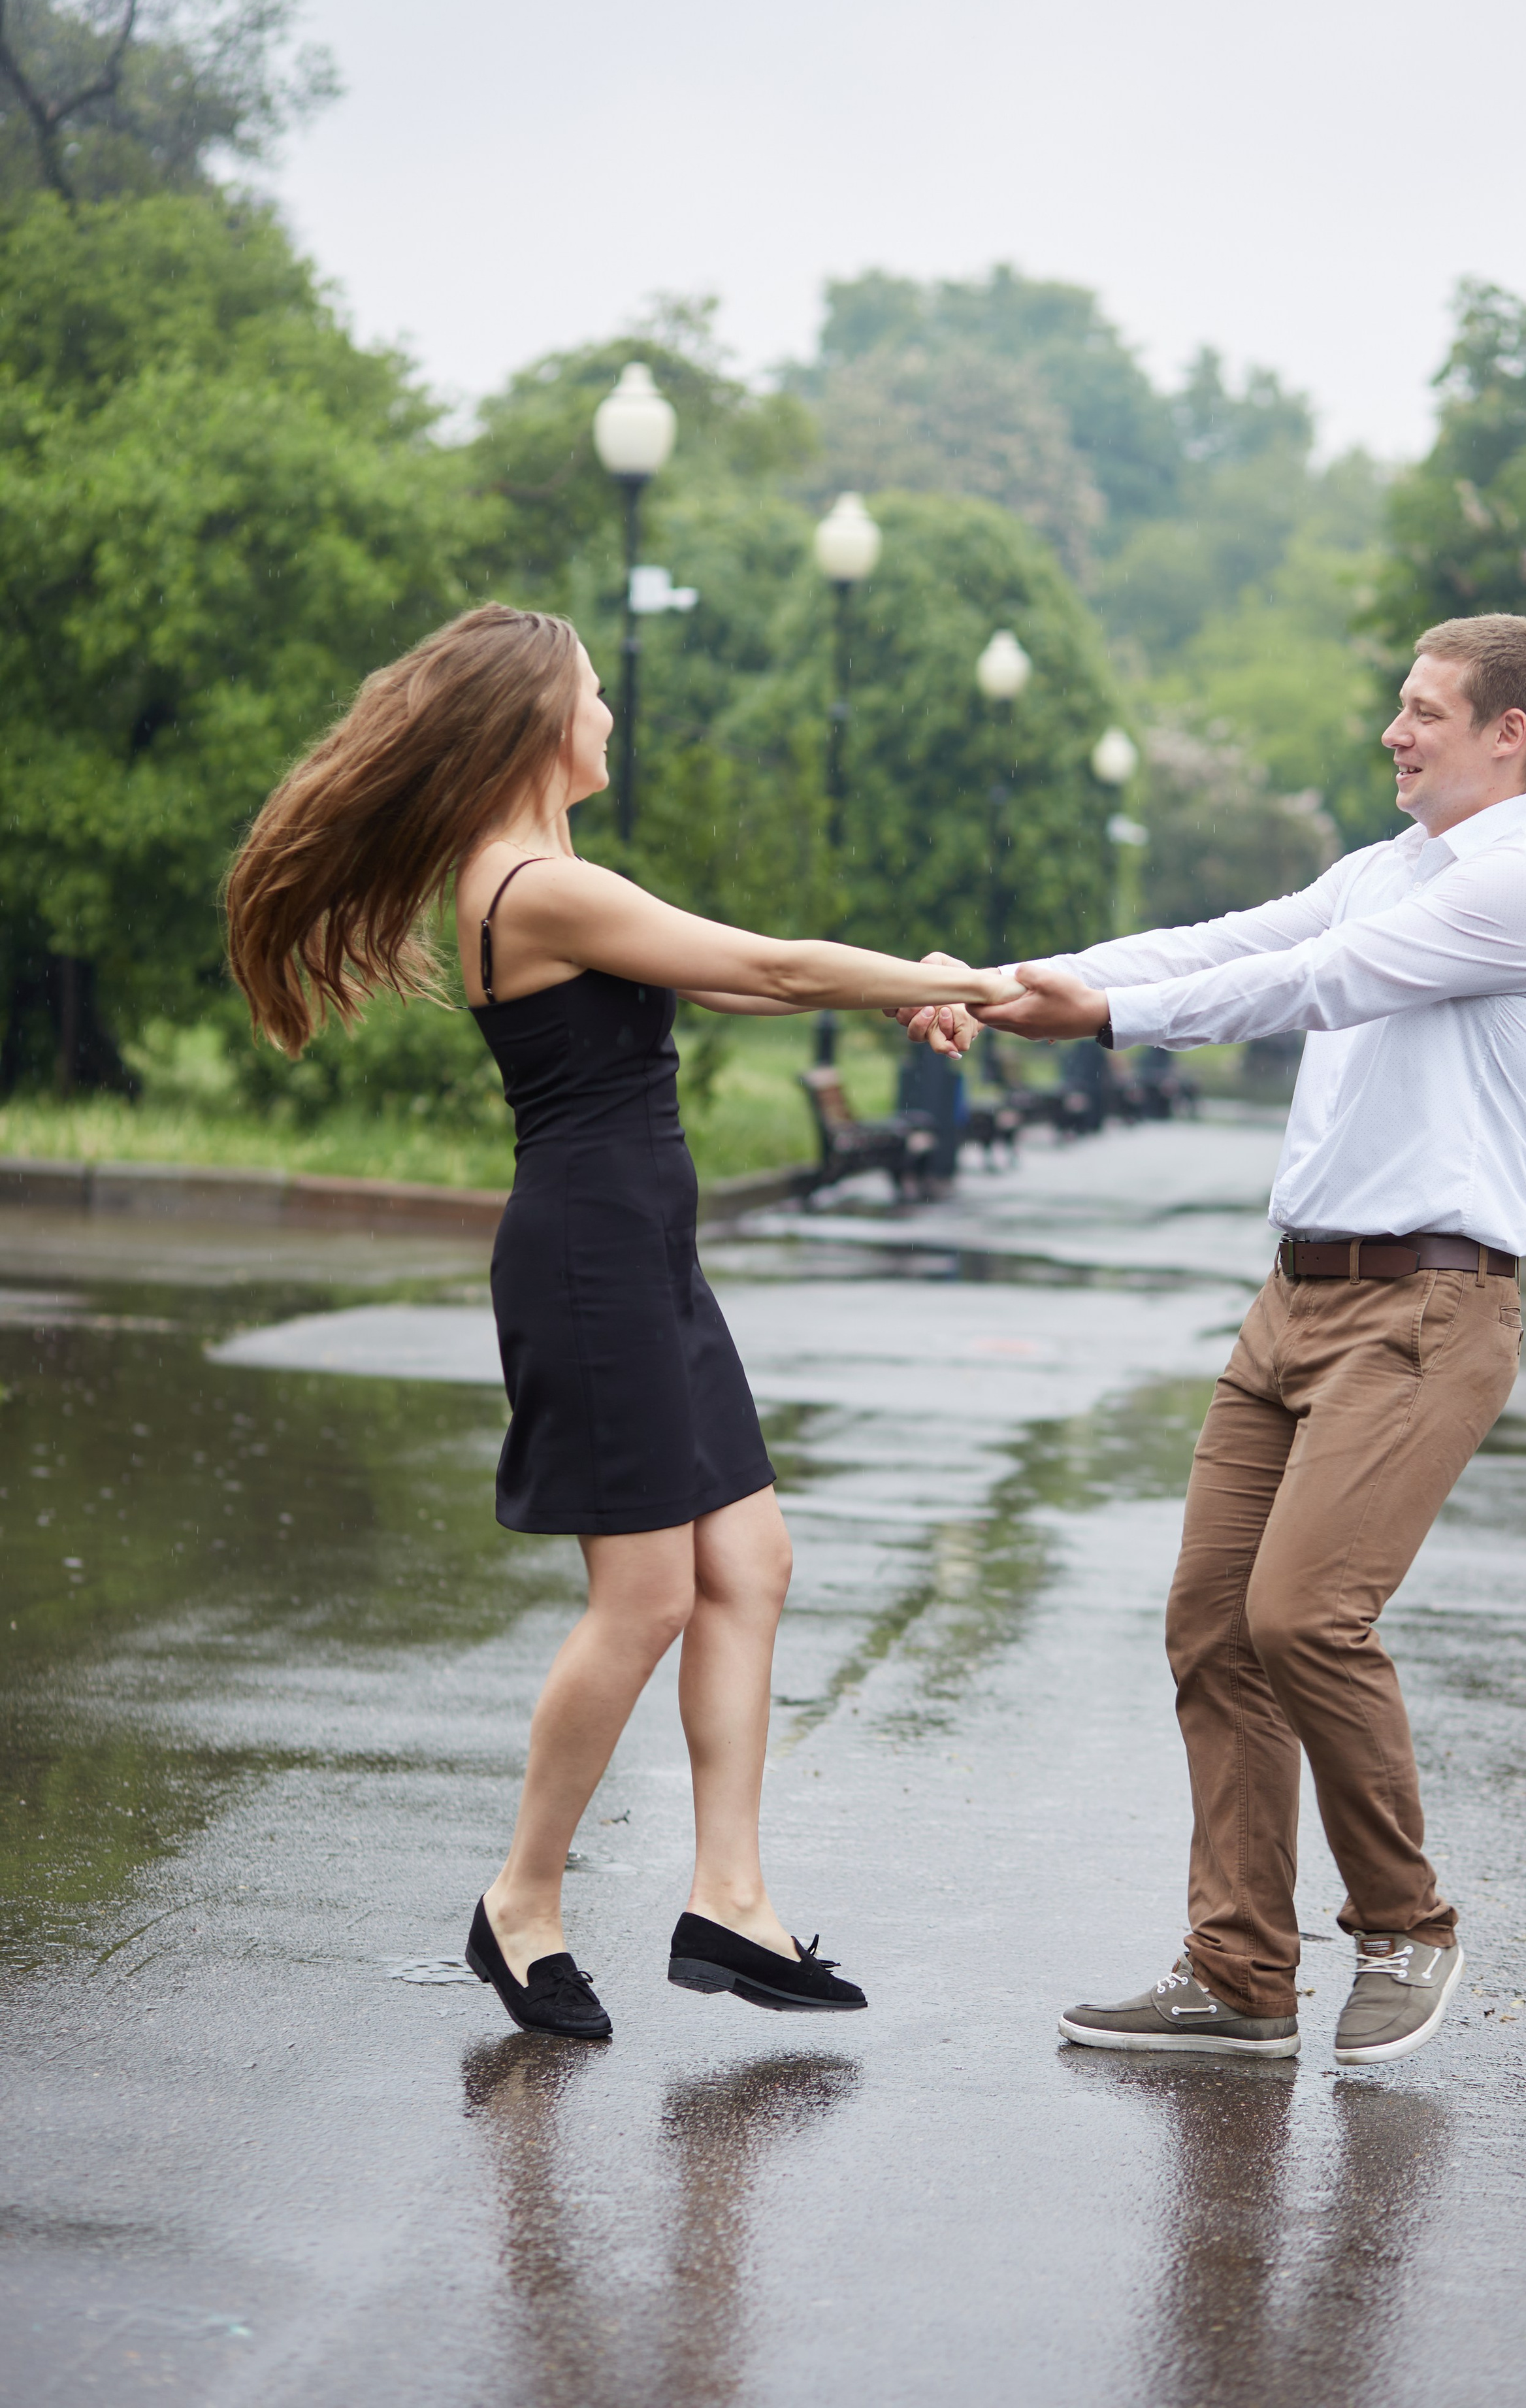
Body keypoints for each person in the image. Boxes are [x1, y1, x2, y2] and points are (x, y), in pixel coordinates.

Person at [225, 603, 1017, 2041]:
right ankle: (519, 1903)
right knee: (647, 1594)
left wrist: (905, 994)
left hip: (643, 1250)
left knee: (749, 1564)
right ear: (539, 722)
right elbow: (772, 965)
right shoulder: (522, 883)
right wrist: (945, 980)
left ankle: (730, 1898)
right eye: (593, 695)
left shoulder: (562, 875)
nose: (608, 716)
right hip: (587, 1261)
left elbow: (722, 979)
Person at [902, 614, 1526, 2068]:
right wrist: (1019, 978)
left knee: (1300, 1619)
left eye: (1421, 712)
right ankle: (1237, 1977)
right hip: (1292, 1302)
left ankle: (1405, 1924)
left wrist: (1101, 1014)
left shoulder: (1522, 888)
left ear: (1504, 735)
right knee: (1212, 1627)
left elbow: (1306, 985)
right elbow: (1235, 938)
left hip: (1422, 1310)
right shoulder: (1389, 868)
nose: (1393, 733)